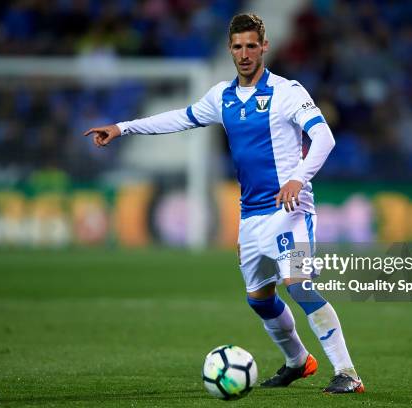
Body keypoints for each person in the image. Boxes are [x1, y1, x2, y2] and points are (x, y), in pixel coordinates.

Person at [84, 13, 364, 394]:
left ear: (264, 46)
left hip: (290, 213)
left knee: (299, 287)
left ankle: (347, 372)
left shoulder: (288, 92)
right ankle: (299, 361)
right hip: (250, 216)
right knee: (260, 300)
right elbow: (180, 118)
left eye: (252, 45)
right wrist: (123, 127)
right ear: (229, 49)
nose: (245, 54)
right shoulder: (222, 96)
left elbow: (325, 138)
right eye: (237, 47)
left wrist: (299, 177)